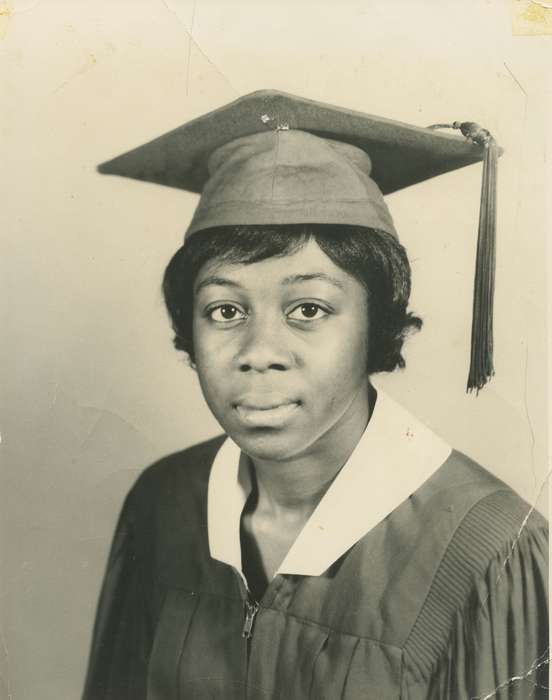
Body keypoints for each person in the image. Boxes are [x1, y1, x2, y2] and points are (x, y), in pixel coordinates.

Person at [82, 91, 548, 699]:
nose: (259, 350)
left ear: (376, 326)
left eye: (309, 308)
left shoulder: (490, 553)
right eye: (224, 309)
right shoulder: (162, 505)